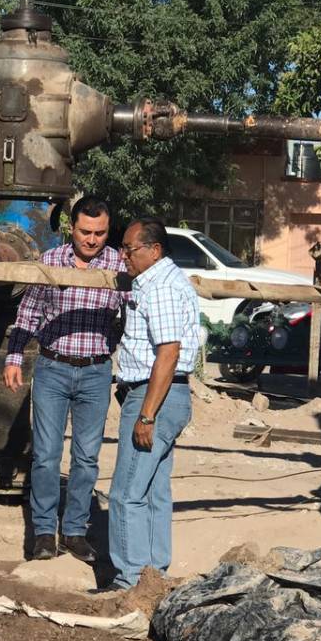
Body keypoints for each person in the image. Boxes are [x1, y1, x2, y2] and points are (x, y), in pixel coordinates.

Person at [4, 197, 125, 562]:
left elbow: (130, 314)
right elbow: (29, 312)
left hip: (95, 372)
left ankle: (74, 531)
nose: (91, 240)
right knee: (45, 455)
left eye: (99, 233)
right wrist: (14, 357)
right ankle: (43, 532)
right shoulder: (50, 261)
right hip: (53, 369)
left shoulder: (118, 264)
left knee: (87, 458)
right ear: (71, 228)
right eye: (85, 232)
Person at [104, 217, 199, 591]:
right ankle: (154, 574)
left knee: (126, 494)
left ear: (154, 250)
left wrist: (146, 414)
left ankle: (129, 581)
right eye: (123, 248)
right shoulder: (167, 280)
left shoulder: (160, 288)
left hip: (153, 395)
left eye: (130, 249)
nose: (124, 256)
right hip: (165, 394)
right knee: (154, 490)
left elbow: (168, 354)